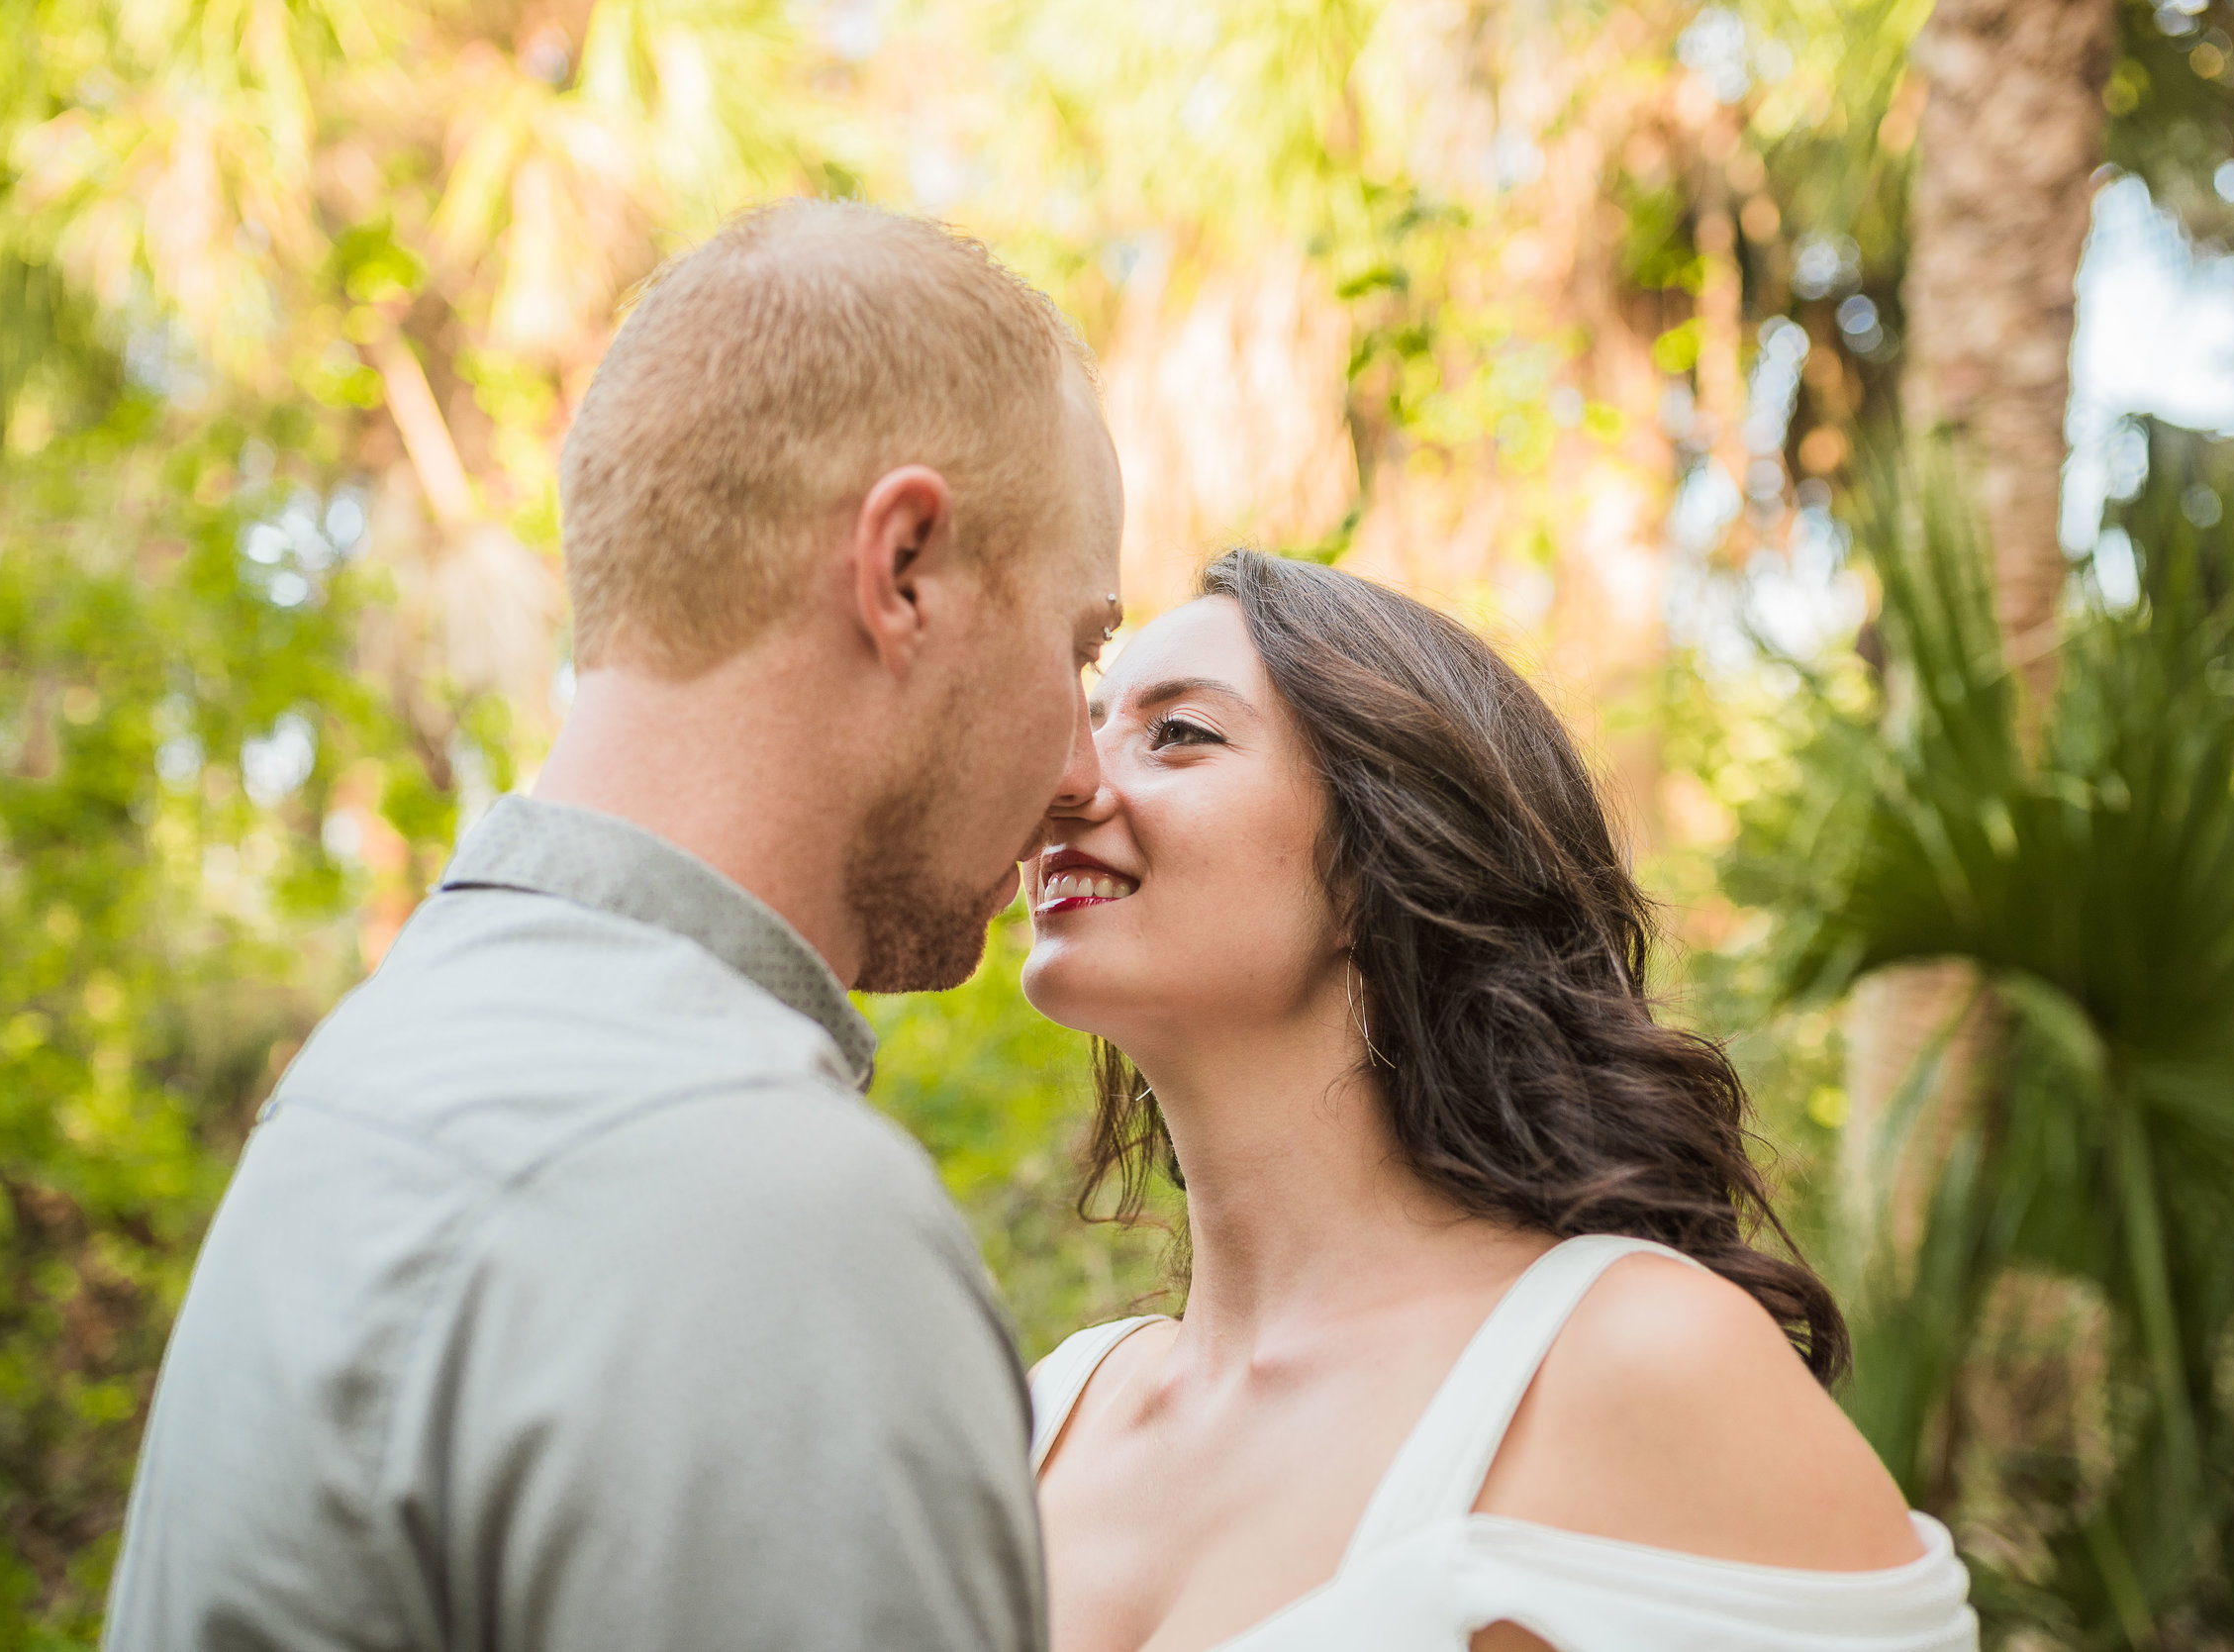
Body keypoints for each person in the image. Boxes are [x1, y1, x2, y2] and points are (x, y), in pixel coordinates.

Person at [104, 200, 1124, 1652]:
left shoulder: (385, 1060)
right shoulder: (755, 1207)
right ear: (905, 571)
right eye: (1080, 647)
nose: (1086, 766)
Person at [1020, 550, 1977, 1652]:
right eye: (1087, 722)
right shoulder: (1052, 1409)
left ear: (1385, 854)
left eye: (1179, 732)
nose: (1063, 781)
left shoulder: (1634, 1359)